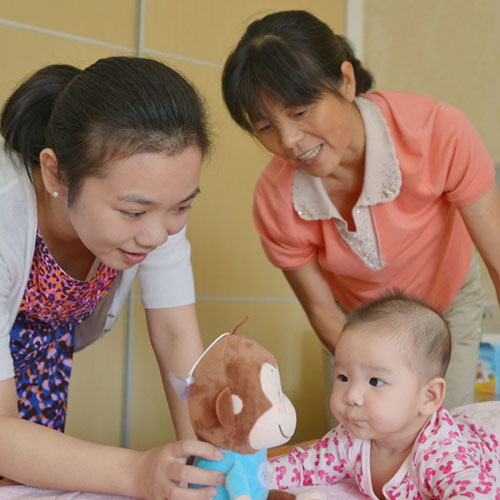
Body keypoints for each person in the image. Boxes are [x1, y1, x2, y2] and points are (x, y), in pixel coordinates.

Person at [221, 9, 500, 422]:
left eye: (300, 112)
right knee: (359, 438)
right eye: (265, 127)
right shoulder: (275, 199)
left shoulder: (437, 132)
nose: (289, 141)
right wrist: (375, 377)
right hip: (355, 325)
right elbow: (323, 311)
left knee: (445, 433)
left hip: (446, 307)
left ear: (346, 82)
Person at [0, 57, 225, 499]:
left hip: (36, 374)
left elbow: (177, 337)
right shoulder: (6, 216)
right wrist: (138, 472)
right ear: (56, 173)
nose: (157, 235)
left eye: (182, 206)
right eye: (133, 212)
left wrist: (211, 467)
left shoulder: (156, 208)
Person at [269, 292, 500, 499]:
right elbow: (304, 467)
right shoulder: (349, 438)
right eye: (343, 377)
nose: (352, 395)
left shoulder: (441, 451)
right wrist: (260, 475)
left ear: (428, 397)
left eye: (375, 382)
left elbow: (476, 492)